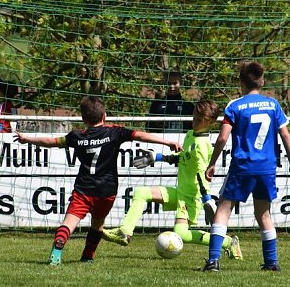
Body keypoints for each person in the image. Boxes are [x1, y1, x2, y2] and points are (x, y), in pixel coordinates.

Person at [13, 96, 181, 266]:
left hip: (83, 189)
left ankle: (59, 244)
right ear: (104, 116)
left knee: (69, 223)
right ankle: (88, 256)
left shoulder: (77, 136)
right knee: (97, 224)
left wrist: (26, 139)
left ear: (83, 119)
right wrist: (167, 142)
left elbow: (51, 142)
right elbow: (140, 136)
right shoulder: (114, 132)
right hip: (106, 191)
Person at [101, 98, 242, 259]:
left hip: (191, 197)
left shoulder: (203, 145)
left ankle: (228, 241)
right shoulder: (190, 135)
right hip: (180, 191)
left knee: (181, 233)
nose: (194, 121)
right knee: (142, 193)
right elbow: (182, 158)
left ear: (210, 122)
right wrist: (157, 157)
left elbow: (201, 173)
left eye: (199, 119)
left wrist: (206, 199)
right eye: (194, 117)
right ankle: (124, 233)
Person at [202, 61, 290, 273]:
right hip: (266, 168)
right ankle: (272, 262)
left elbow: (222, 138)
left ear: (241, 82)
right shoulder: (273, 105)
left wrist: (212, 162)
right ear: (262, 82)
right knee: (263, 214)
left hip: (242, 166)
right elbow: (285, 135)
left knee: (223, 209)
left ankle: (213, 261)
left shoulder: (234, 106)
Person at [147, 69, 194, 133]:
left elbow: (194, 127)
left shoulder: (188, 106)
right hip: (161, 138)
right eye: (169, 83)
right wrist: (157, 124)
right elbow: (148, 127)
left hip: (183, 138)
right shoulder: (156, 104)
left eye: (175, 83)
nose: (171, 86)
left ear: (181, 83)